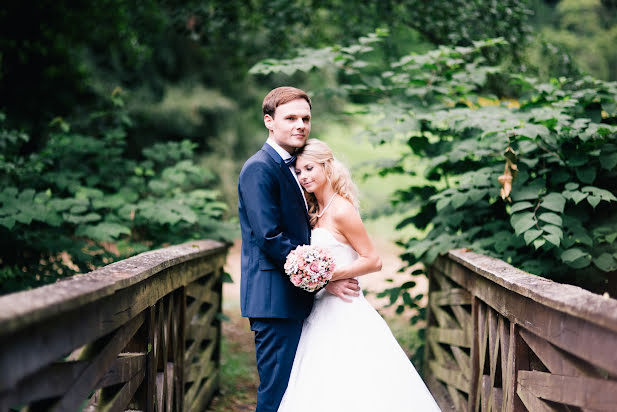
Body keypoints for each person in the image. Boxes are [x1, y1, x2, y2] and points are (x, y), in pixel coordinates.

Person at [278, 138, 442, 412]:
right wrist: (322, 281)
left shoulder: (342, 210)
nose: (303, 177)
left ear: (327, 167)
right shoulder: (315, 212)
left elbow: (373, 260)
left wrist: (329, 276)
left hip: (346, 308)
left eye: (309, 169)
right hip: (321, 308)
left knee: (358, 380)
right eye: (298, 173)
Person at [237, 87, 361, 412]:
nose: (300, 125)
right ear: (269, 121)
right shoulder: (259, 168)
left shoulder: (292, 168)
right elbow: (270, 237)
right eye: (290, 118)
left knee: (296, 393)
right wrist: (324, 280)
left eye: (305, 118)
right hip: (274, 300)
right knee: (276, 394)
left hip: (293, 299)